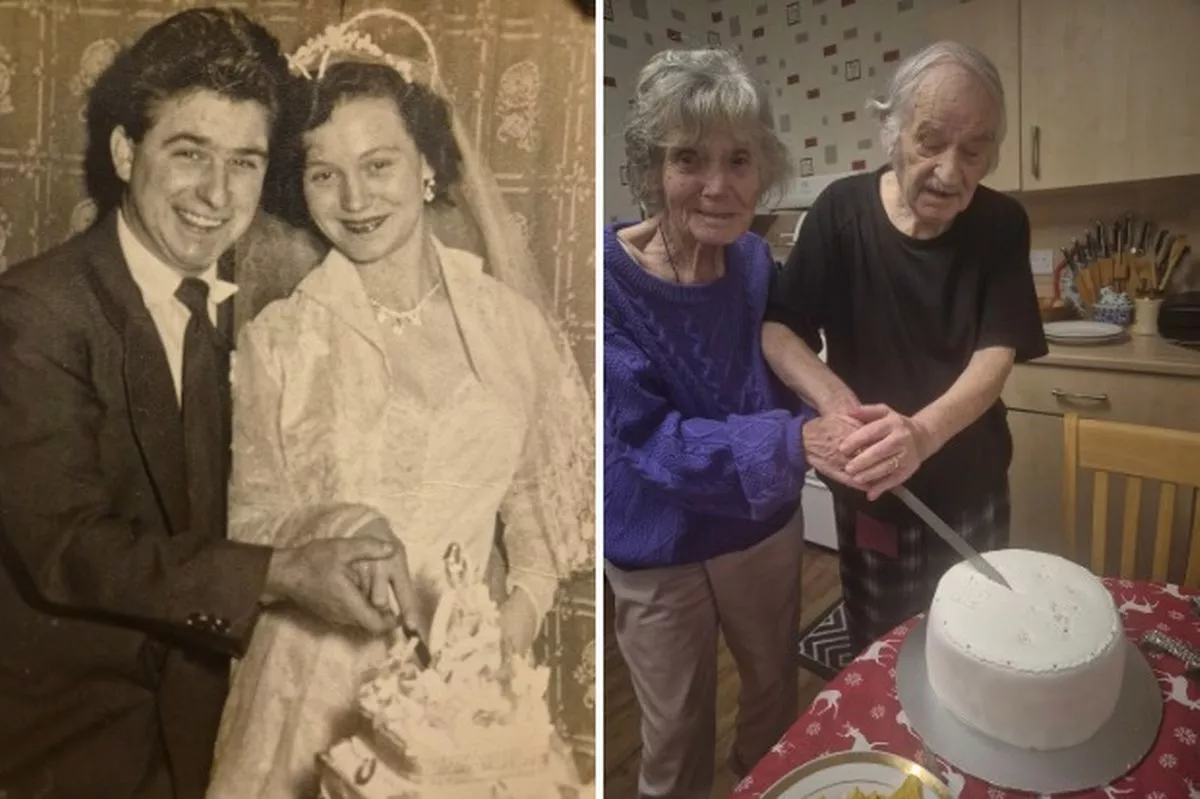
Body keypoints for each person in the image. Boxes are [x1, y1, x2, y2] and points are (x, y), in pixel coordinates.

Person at [0, 9, 415, 799]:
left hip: (214, 727)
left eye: (246, 162)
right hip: (71, 744)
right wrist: (286, 572)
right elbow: (72, 548)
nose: (218, 195)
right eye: (189, 154)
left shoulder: (256, 301)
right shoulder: (32, 312)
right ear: (127, 152)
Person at [205, 10, 594, 796]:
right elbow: (252, 534)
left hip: (466, 703)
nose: (354, 198)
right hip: (309, 693)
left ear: (425, 165)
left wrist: (492, 646)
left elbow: (536, 524)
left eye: (378, 164)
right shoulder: (279, 342)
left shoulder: (510, 326)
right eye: (324, 174)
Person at [603, 48, 861, 799]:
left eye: (739, 159)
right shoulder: (605, 282)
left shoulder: (754, 262)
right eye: (689, 158)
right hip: (660, 538)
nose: (718, 185)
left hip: (758, 525)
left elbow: (783, 361)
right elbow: (648, 438)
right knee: (676, 733)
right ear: (651, 168)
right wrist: (796, 440)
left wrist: (836, 410)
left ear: (762, 171)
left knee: (773, 693)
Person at [763, 41, 1047, 653]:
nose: (950, 171)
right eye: (931, 141)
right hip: (874, 488)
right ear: (892, 131)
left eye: (974, 151)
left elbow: (996, 352)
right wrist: (836, 402)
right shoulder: (841, 212)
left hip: (972, 483)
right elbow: (778, 330)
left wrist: (919, 434)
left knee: (981, 644)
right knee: (882, 647)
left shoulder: (1001, 224)